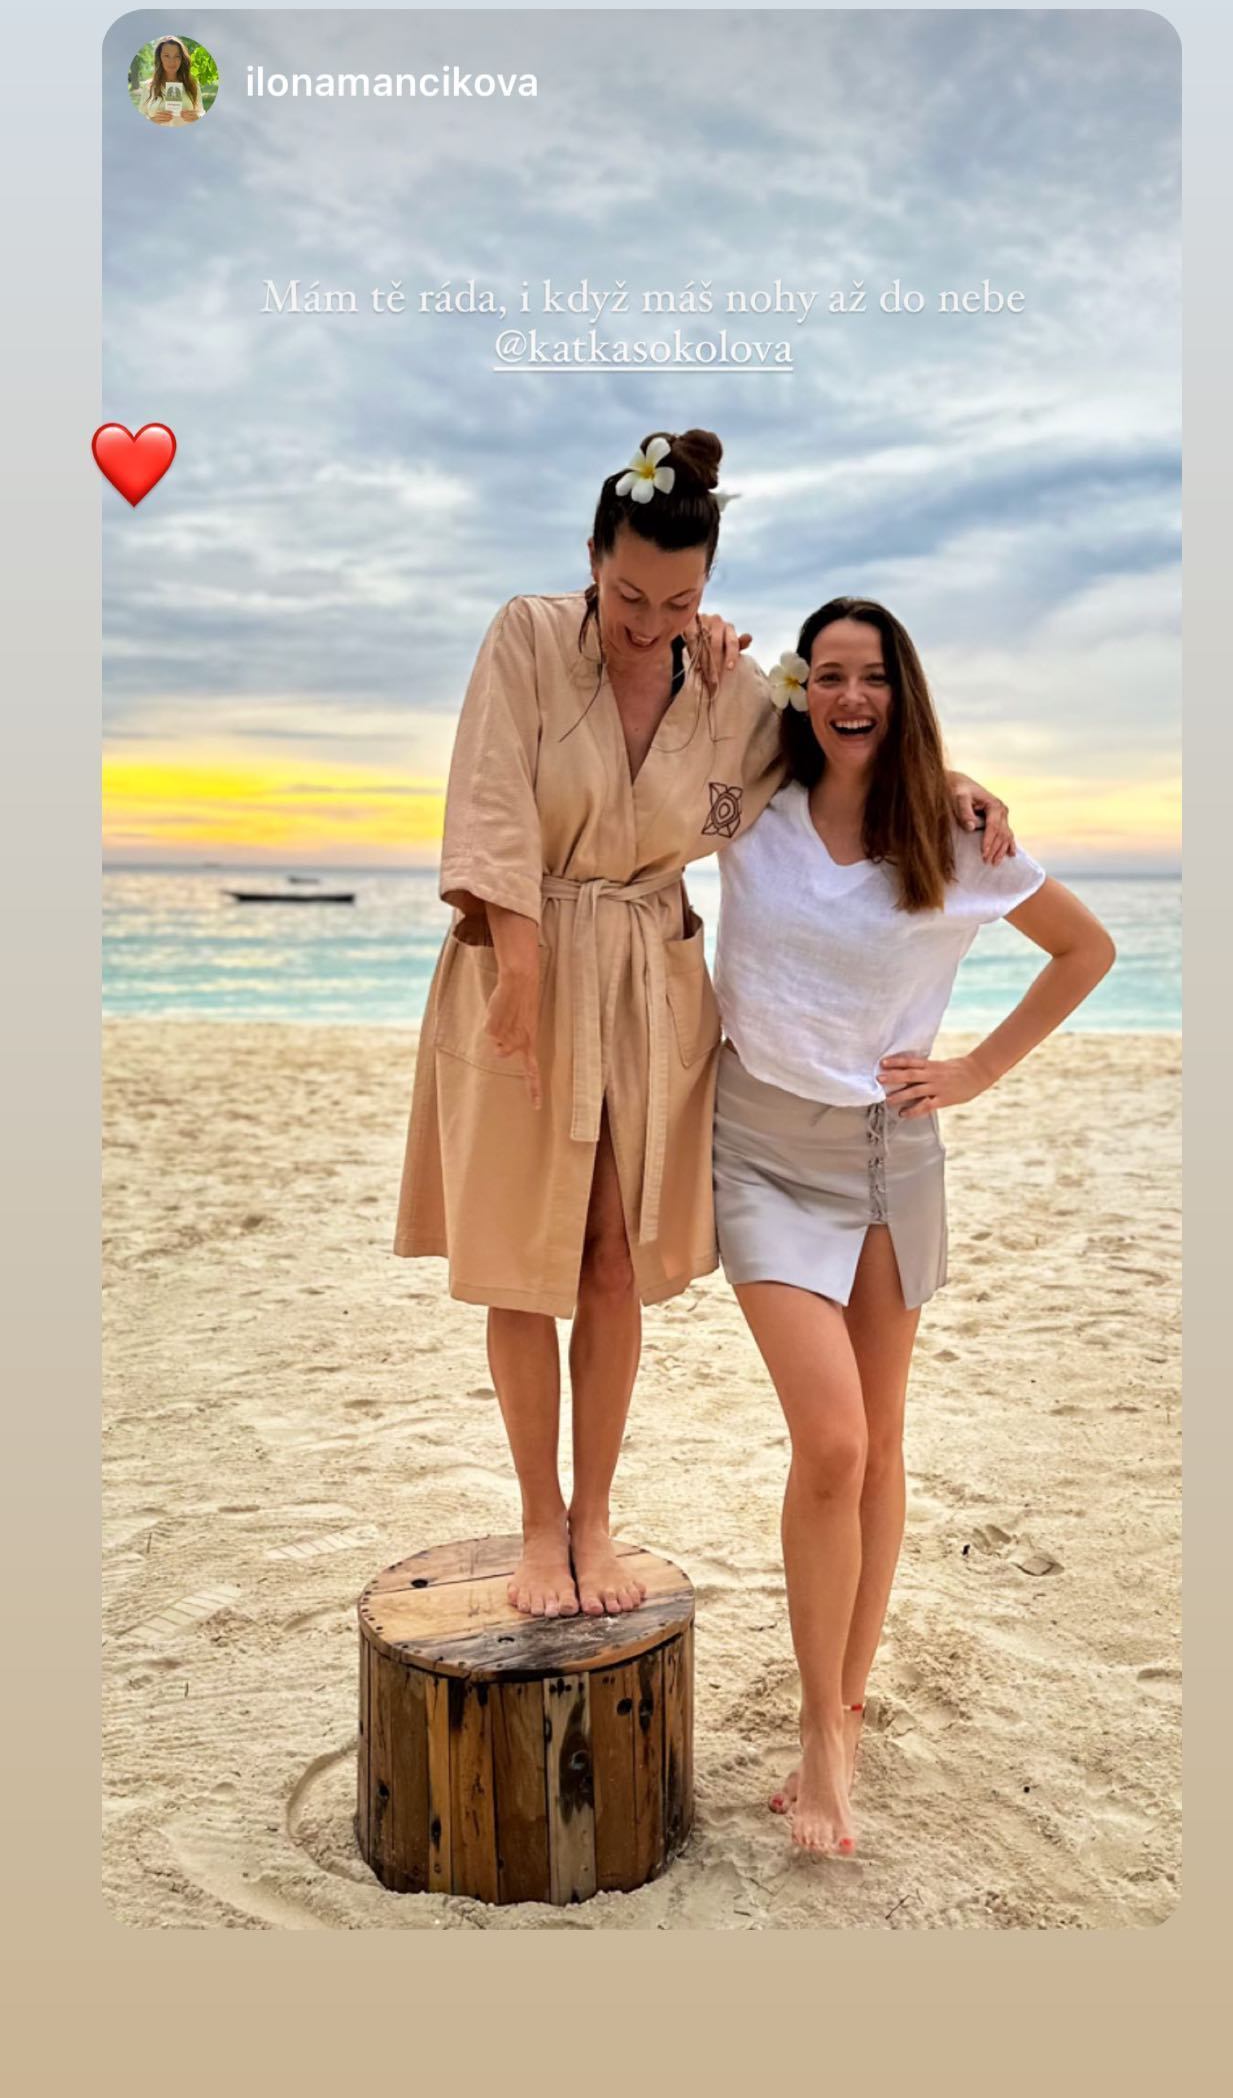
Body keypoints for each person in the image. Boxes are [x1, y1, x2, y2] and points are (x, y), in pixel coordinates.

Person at [393, 438, 1013, 1625]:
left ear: (710, 586)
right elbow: (490, 797)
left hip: (653, 981)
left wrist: (950, 781)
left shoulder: (734, 688)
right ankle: (538, 1517)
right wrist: (517, 957)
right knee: (522, 1252)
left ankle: (595, 1516)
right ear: (592, 557)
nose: (649, 623)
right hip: (518, 964)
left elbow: (843, 743)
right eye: (629, 595)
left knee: (611, 1254)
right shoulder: (526, 635)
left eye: (678, 602)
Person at [711, 597, 1116, 1857]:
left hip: (894, 1161)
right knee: (831, 1440)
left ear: (904, 690)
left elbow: (1085, 949)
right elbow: (668, 725)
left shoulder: (951, 833)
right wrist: (701, 644)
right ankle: (819, 1723)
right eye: (828, 673)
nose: (851, 695)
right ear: (800, 689)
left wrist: (977, 1068)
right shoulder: (751, 804)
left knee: (879, 1445)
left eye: (874, 675)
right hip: (757, 1153)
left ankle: (837, 1718)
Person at [141, 37, 205, 126]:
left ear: (182, 59)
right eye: (166, 56)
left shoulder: (193, 84)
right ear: (160, 58)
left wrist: (198, 117)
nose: (172, 61)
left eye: (177, 56)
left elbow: (201, 112)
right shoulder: (148, 86)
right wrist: (151, 121)